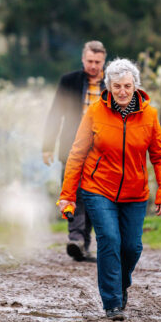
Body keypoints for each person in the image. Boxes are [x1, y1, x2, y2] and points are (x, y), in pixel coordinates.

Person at [58, 58, 161, 320]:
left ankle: (120, 285)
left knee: (132, 247)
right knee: (109, 239)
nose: (122, 91)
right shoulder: (95, 112)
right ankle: (112, 302)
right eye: (117, 86)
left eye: (127, 86)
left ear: (136, 87)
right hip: (98, 188)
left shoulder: (150, 116)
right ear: (108, 87)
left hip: (135, 192)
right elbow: (77, 154)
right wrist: (67, 196)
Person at [43, 41, 107, 262]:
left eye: (97, 62)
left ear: (103, 62)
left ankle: (83, 244)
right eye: (89, 61)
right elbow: (55, 114)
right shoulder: (69, 82)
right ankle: (76, 239)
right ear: (83, 60)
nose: (93, 66)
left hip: (102, 152)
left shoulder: (112, 85)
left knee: (94, 197)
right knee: (73, 193)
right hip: (72, 147)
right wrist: (47, 146)